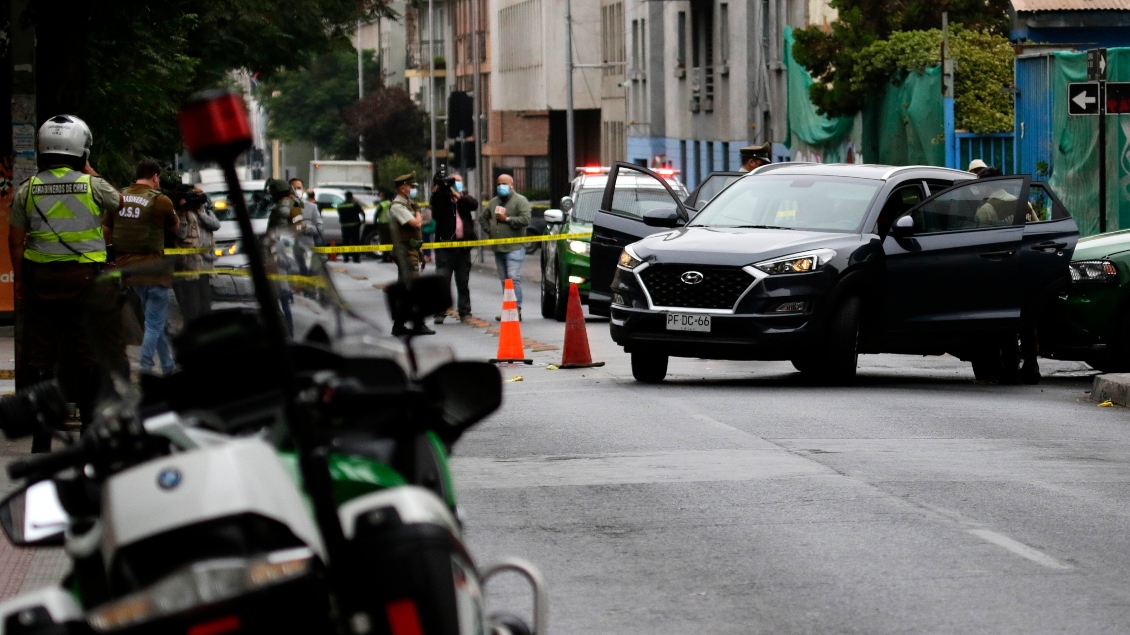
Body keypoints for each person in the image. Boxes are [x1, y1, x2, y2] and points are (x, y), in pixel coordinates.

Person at [10, 115, 120, 451]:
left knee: (40, 357)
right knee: (88, 354)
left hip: (42, 281)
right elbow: (119, 202)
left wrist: (20, 281)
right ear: (82, 148)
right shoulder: (92, 185)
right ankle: (88, 430)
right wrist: (89, 169)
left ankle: (42, 438)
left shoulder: (27, 189)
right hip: (85, 280)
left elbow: (16, 240)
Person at [106, 159, 180, 376]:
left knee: (156, 321)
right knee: (154, 324)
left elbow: (107, 228)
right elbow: (175, 227)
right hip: (154, 272)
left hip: (129, 272)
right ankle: (146, 368)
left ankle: (167, 365)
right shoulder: (160, 200)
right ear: (155, 177)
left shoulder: (118, 197)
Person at [479, 173, 532, 320]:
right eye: (498, 184)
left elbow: (525, 219)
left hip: (514, 247)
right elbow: (482, 217)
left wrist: (507, 219)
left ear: (511, 185)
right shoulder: (493, 202)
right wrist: (488, 230)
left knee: (513, 278)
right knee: (504, 280)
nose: (501, 186)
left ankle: (516, 308)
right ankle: (508, 308)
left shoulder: (520, 201)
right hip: (498, 248)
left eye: (504, 183)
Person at [388, 172, 433, 336]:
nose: (413, 189)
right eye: (411, 186)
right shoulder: (398, 206)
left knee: (406, 288)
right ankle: (418, 324)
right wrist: (418, 211)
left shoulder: (408, 204)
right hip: (405, 252)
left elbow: (414, 234)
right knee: (414, 288)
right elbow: (416, 223)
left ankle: (399, 325)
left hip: (411, 250)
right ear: (402, 188)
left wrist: (420, 252)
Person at [431, 172, 477, 324]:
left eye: (457, 181)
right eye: (452, 181)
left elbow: (474, 205)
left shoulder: (463, 198)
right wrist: (438, 193)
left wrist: (457, 195)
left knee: (463, 281)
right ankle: (439, 313)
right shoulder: (440, 198)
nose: (454, 184)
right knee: (443, 280)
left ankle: (465, 312)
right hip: (444, 246)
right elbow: (436, 215)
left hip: (463, 247)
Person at [172, 187, 215, 325]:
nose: (199, 199)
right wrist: (183, 214)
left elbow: (215, 225)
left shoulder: (205, 212)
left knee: (205, 306)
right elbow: (181, 234)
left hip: (204, 266)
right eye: (195, 195)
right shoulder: (182, 214)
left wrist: (200, 213)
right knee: (192, 307)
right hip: (188, 267)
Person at [336, 191, 364, 264]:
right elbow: (362, 212)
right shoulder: (355, 204)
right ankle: (356, 258)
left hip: (344, 226)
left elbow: (340, 214)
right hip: (354, 226)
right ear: (351, 196)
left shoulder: (340, 205)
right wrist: (363, 220)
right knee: (355, 242)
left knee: (345, 242)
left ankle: (346, 258)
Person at [376, 188, 394, 262]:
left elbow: (376, 214)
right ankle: (390, 257)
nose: (380, 196)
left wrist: (375, 221)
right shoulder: (391, 203)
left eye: (381, 195)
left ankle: (384, 258)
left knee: (383, 241)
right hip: (391, 224)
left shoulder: (382, 204)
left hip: (383, 224)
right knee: (390, 241)